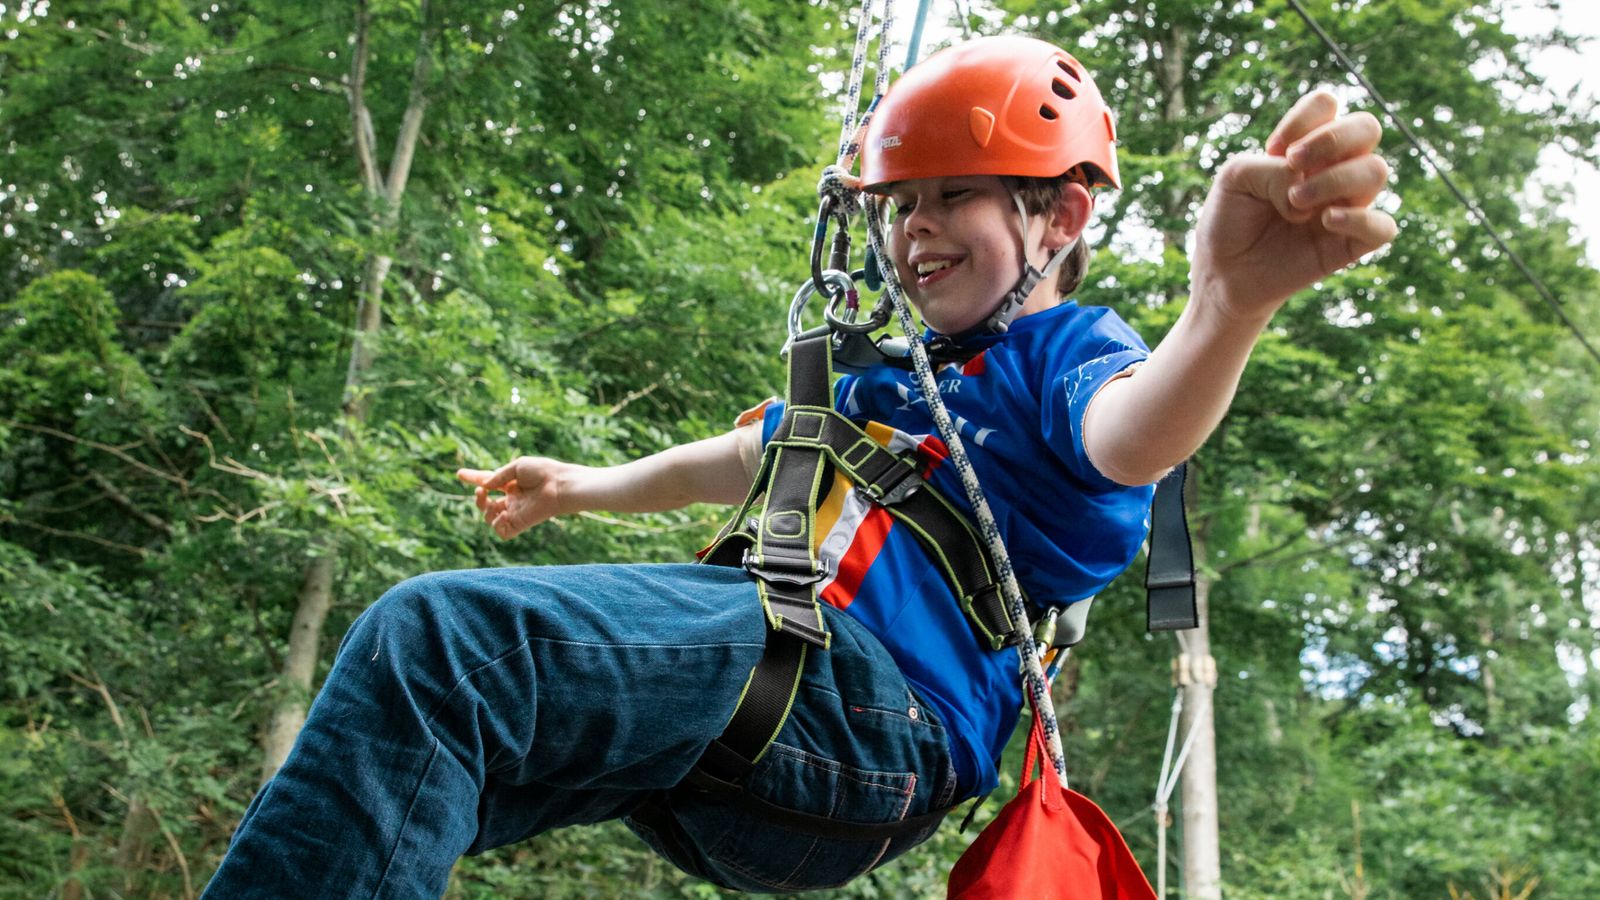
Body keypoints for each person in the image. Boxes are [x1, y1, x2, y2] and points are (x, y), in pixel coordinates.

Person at [204, 35, 1396, 897]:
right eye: (897, 206)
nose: (913, 230)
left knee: (442, 646)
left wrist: (1227, 307)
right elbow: (732, 456)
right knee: (417, 732)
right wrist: (581, 485)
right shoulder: (880, 384)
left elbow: (1131, 436)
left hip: (868, 714)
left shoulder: (1065, 359)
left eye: (953, 199)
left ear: (1059, 219)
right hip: (767, 754)